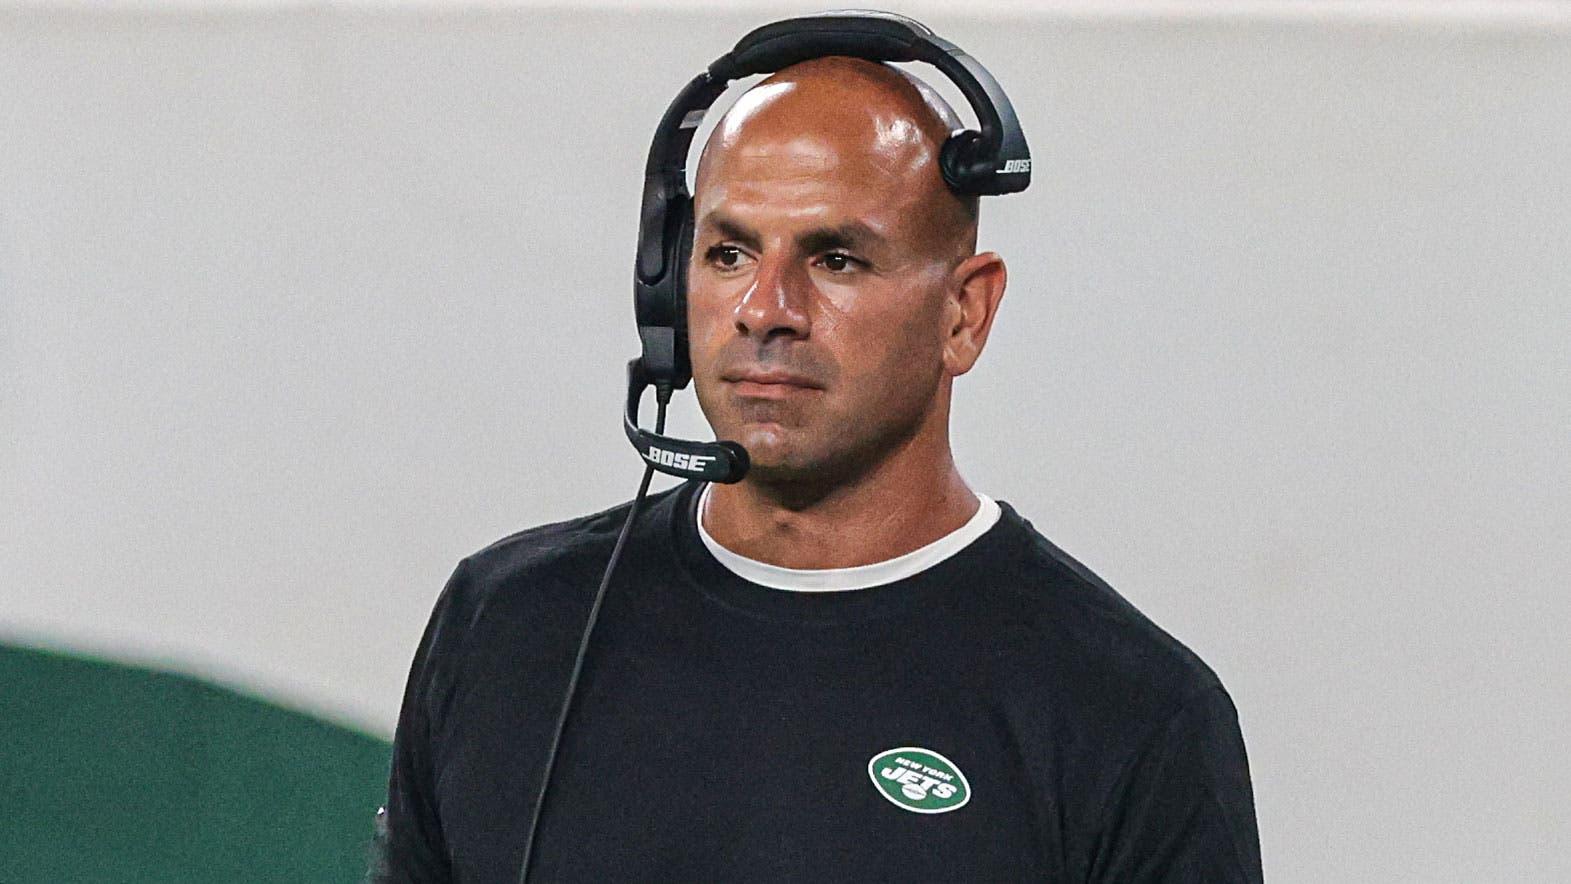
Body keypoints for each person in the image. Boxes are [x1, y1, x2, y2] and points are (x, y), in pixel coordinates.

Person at [371, 53, 1263, 883]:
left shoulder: (1131, 715)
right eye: (728, 254)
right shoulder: (505, 623)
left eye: (834, 258)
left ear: (964, 312)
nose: (766, 309)